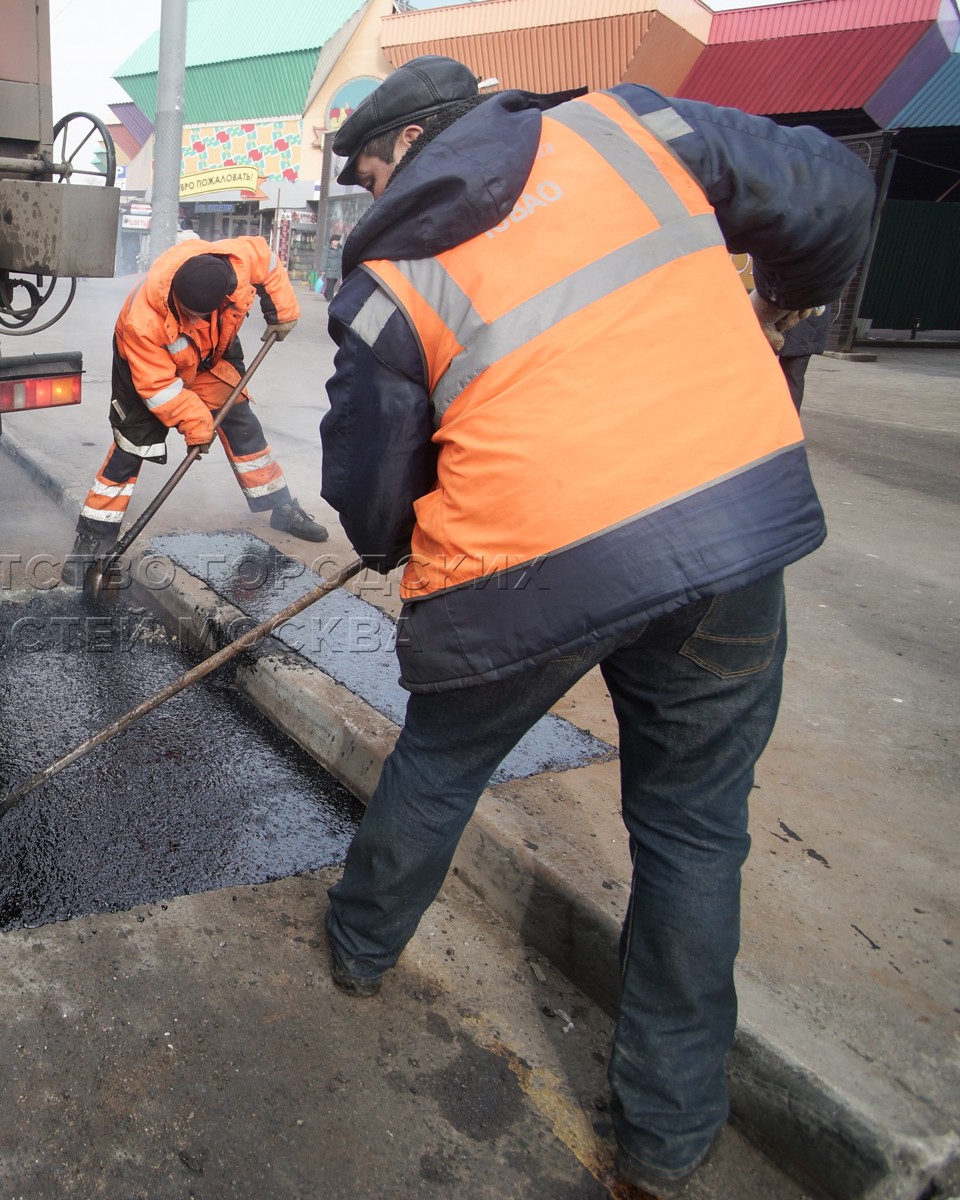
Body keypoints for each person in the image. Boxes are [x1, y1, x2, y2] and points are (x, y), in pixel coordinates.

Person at [316, 56, 873, 1197]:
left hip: (525, 570)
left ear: (414, 144)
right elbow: (834, 193)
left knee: (442, 760)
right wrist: (785, 302)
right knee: (695, 834)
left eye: (372, 171)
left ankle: (359, 949)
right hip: (724, 537)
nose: (370, 196)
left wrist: (394, 536)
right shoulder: (637, 131)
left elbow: (371, 492)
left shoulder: (382, 278)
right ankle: (666, 1143)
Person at [67, 235, 328, 577]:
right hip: (147, 370)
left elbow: (267, 261)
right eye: (187, 313)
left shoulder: (236, 262)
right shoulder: (141, 322)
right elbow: (160, 389)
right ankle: (92, 538)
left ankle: (281, 507)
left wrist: (282, 310)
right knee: (132, 445)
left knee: (241, 423)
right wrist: (197, 426)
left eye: (199, 314)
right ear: (175, 292)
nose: (192, 319)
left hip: (208, 356)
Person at [320, 233, 343, 299]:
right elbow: (324, 259)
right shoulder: (327, 248)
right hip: (329, 269)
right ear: (331, 241)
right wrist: (323, 269)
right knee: (330, 284)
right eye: (335, 241)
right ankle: (330, 297)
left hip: (337, 269)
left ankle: (326, 293)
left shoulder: (340, 248)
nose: (336, 242)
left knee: (333, 283)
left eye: (337, 240)